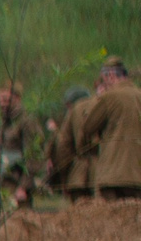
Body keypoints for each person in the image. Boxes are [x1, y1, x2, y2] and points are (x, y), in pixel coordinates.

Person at [58, 58, 141, 202]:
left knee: (111, 220)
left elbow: (88, 127)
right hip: (137, 175)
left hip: (112, 175)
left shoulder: (109, 97)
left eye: (104, 80)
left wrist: (86, 149)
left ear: (110, 76)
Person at [47, 86, 95, 198]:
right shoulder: (97, 113)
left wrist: (61, 177)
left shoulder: (72, 119)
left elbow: (63, 149)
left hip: (77, 176)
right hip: (97, 176)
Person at [0, 82, 38, 203]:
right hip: (5, 183)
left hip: (18, 186)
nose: (1, 104)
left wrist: (23, 187)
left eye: (5, 99)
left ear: (17, 98)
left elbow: (32, 155)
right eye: (0, 100)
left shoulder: (26, 122)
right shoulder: (6, 122)